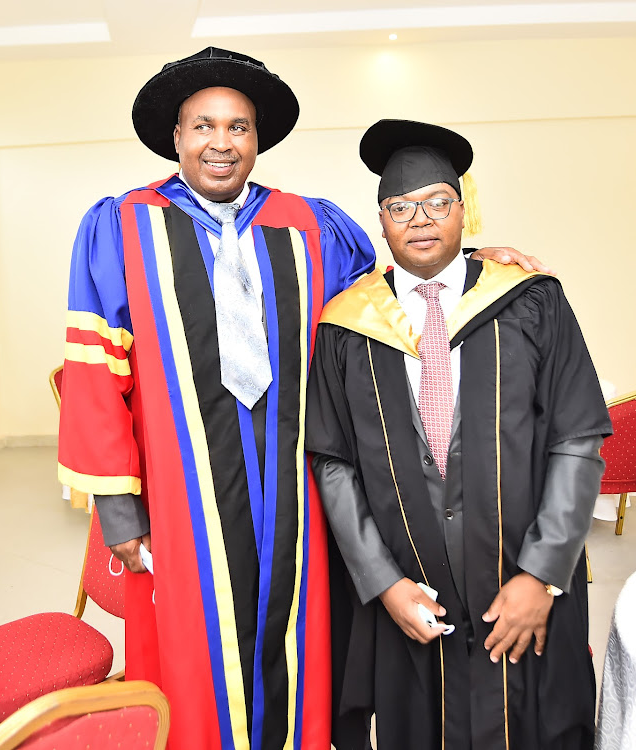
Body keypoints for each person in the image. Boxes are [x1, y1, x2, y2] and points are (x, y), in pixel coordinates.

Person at [58, 47, 545, 750]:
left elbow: (384, 298)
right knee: (196, 640)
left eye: (238, 127)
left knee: (302, 632)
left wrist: (470, 259)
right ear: (176, 137)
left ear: (257, 139)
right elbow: (94, 373)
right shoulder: (120, 227)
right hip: (181, 485)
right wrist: (117, 504)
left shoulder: (310, 224)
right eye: (203, 126)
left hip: (296, 478)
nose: (221, 143)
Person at [305, 119, 612, 750]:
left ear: (463, 211)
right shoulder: (346, 325)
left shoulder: (531, 302)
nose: (420, 220)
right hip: (409, 597)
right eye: (401, 208)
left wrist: (543, 575)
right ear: (381, 221)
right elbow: (332, 461)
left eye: (438, 203)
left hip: (520, 588)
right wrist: (381, 583)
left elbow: (577, 438)